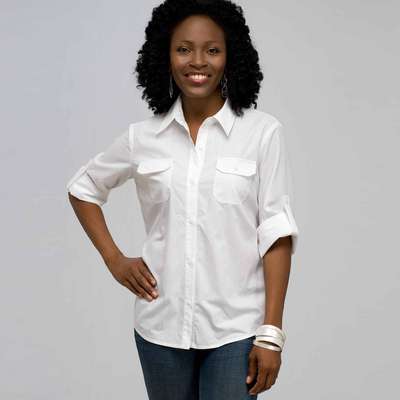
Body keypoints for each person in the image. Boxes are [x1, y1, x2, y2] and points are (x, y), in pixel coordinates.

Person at [66, 0, 299, 398]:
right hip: (160, 327)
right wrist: (114, 259)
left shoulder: (262, 134)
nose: (198, 61)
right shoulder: (144, 138)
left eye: (213, 49)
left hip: (237, 329)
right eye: (184, 49)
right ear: (166, 55)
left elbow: (275, 233)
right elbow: (84, 188)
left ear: (230, 56)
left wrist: (271, 333)